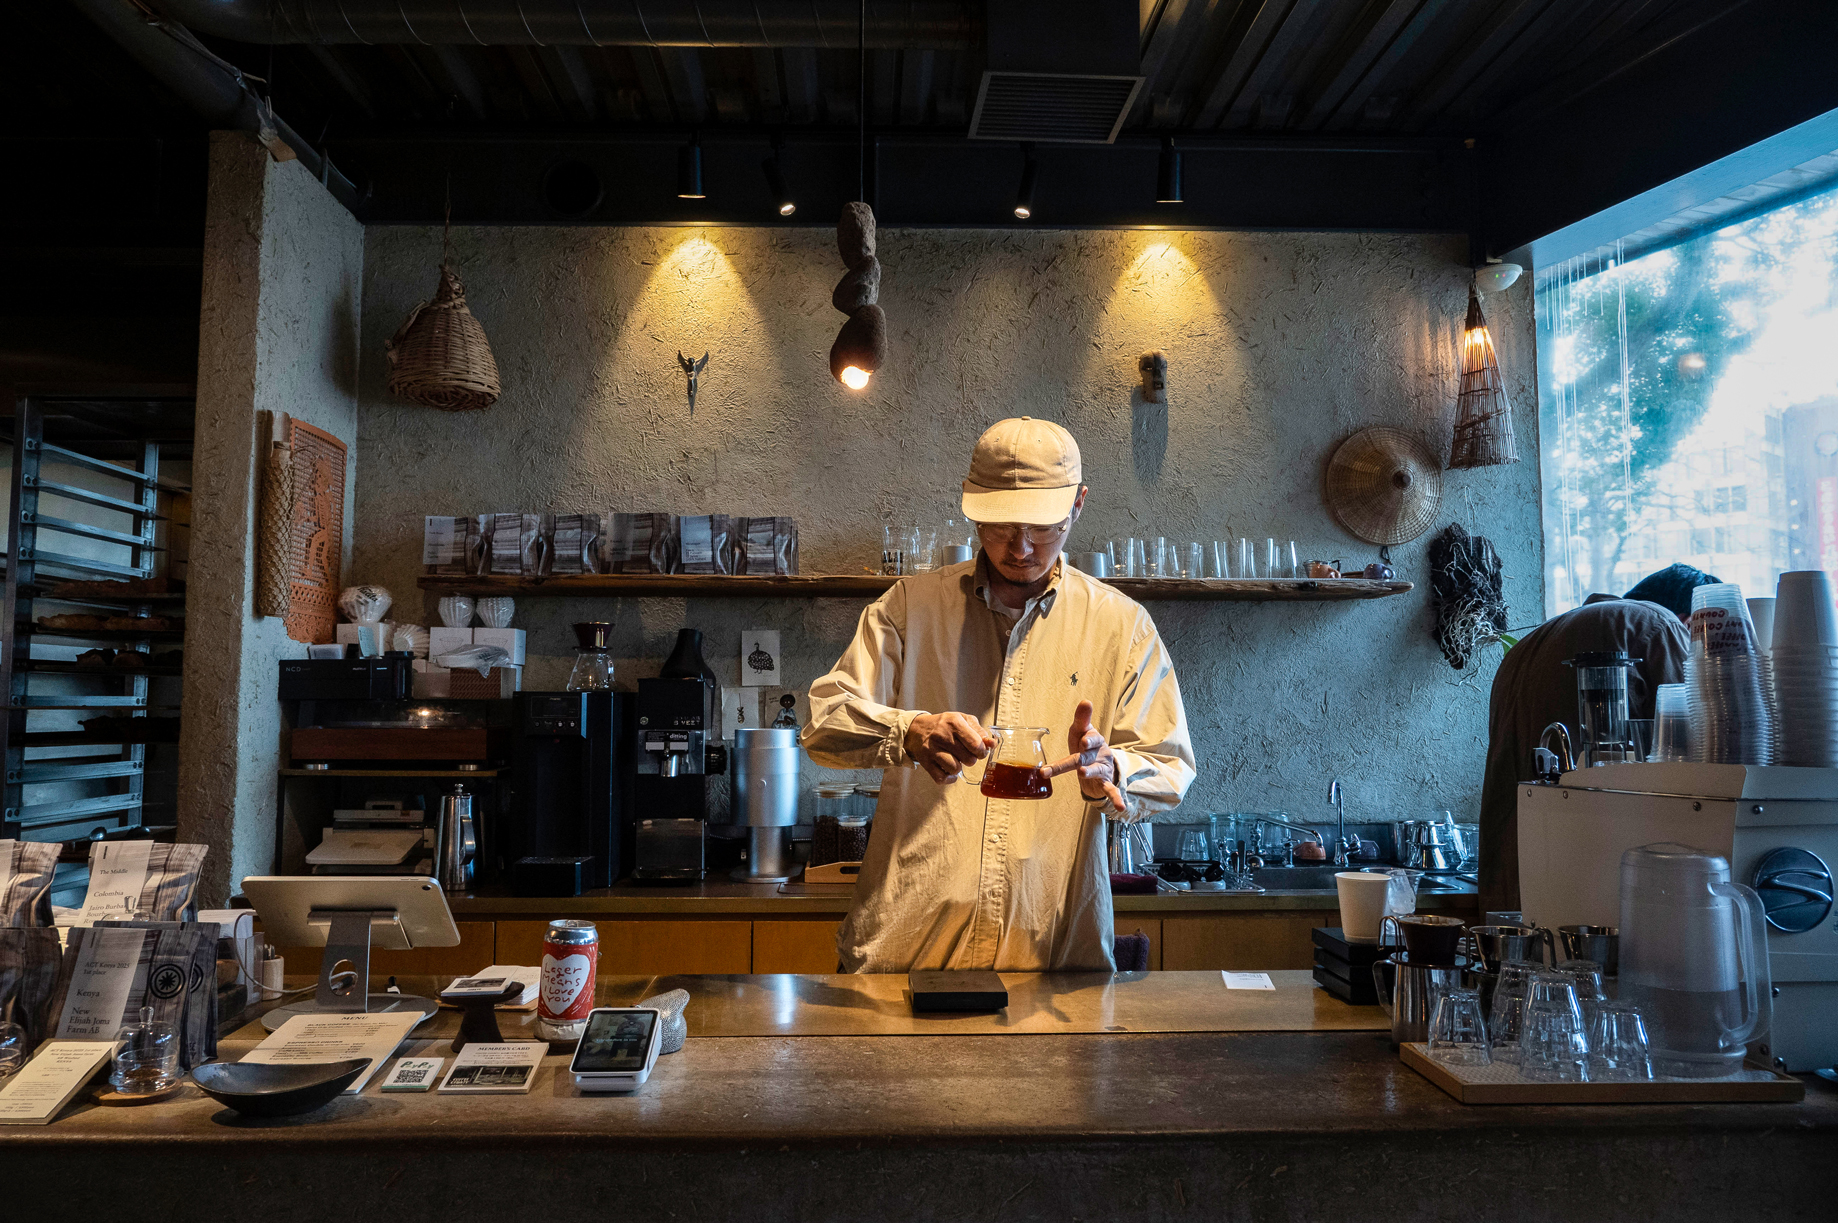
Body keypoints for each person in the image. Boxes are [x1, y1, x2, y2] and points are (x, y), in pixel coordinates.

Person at [801, 417, 1196, 972]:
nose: (1021, 546)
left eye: (1043, 526)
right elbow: (823, 723)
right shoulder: (908, 609)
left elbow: (1170, 765)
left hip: (1054, 969)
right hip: (903, 960)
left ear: (1078, 504)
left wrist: (1113, 771)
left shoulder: (1123, 627)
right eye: (1000, 525)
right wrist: (908, 731)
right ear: (971, 508)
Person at [1475, 566, 1715, 914]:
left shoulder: (1530, 643)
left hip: (1514, 879)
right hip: (1595, 877)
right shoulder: (1660, 625)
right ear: (1692, 621)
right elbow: (1698, 754)